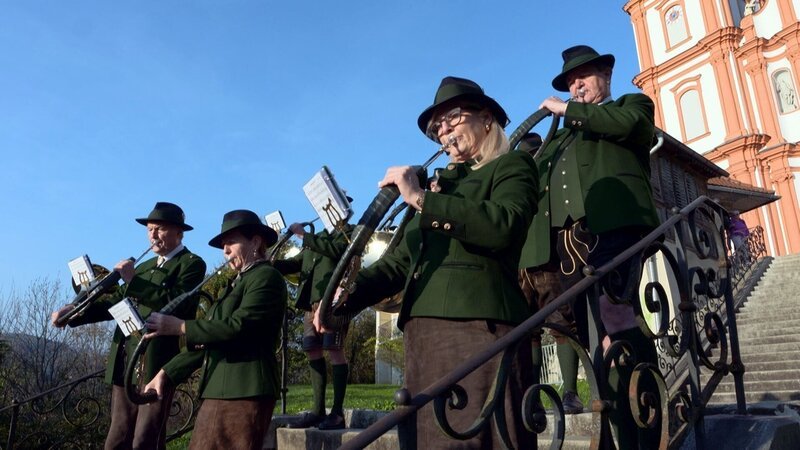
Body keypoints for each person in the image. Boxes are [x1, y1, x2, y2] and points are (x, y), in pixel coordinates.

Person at [329, 76, 539, 449]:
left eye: (452, 118)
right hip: (422, 335)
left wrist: (422, 200)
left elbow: (503, 226)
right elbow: (398, 264)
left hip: (479, 329)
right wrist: (345, 296)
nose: (443, 132)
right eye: (436, 128)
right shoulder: (439, 188)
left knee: (477, 439)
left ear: (486, 118)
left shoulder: (512, 166)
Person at [522, 44, 661, 449]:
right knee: (586, 333)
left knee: (615, 316)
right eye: (569, 81)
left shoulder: (632, 105)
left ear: (606, 75)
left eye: (583, 76)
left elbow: (629, 125)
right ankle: (613, 421)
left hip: (611, 227)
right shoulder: (561, 139)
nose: (575, 85)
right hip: (563, 245)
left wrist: (569, 112)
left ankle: (645, 417)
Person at [51, 202, 206, 450]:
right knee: (117, 439)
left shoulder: (192, 264)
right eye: (150, 229)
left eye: (160, 229)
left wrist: (133, 280)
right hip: (125, 360)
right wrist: (74, 313)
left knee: (146, 440)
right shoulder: (144, 266)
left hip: (157, 362)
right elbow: (114, 303)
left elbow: (176, 302)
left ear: (179, 232)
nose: (153, 235)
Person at [142, 209, 286, 450]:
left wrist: (180, 326)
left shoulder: (266, 277)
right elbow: (210, 339)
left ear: (256, 242)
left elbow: (239, 327)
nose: (225, 250)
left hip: (245, 390)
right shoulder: (237, 283)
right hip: (218, 390)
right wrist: (165, 373)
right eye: (223, 244)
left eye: (231, 242)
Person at [517, 133, 585, 415]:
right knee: (526, 331)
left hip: (549, 256)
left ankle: (570, 392)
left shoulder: (554, 171)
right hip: (521, 261)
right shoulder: (514, 178)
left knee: (563, 325)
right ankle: (532, 397)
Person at [272, 220, 353, 430]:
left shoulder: (348, 232)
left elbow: (338, 251)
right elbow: (298, 263)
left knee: (334, 349)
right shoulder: (318, 238)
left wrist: (304, 236)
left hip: (334, 301)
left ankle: (337, 413)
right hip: (311, 302)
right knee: (312, 350)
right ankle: (317, 411)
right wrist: (268, 261)